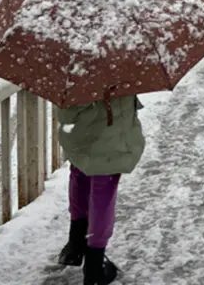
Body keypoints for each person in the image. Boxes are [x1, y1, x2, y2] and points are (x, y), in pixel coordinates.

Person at [56, 96, 145, 285]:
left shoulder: (73, 71)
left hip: (78, 133)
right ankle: (94, 266)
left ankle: (75, 243)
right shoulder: (119, 70)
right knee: (103, 190)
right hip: (110, 136)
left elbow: (65, 110)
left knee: (80, 174)